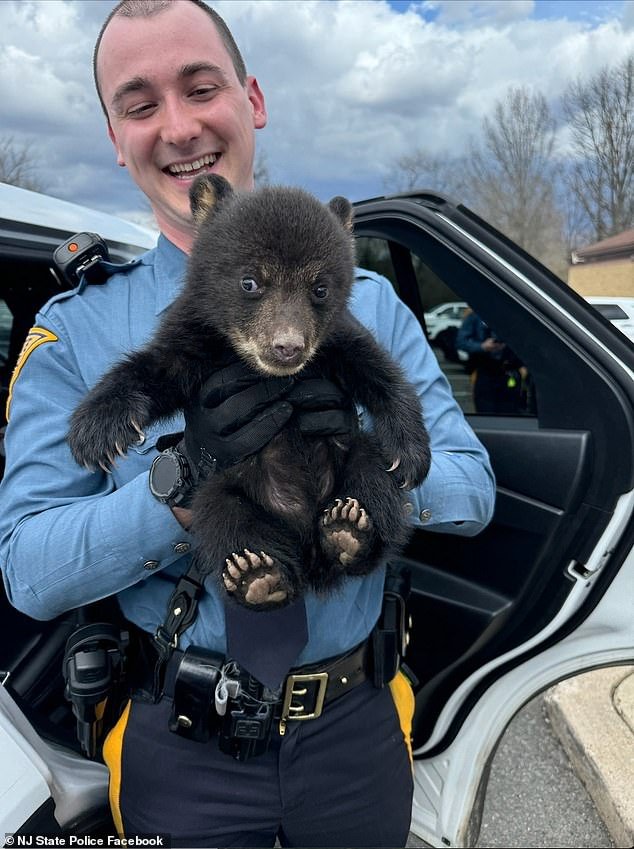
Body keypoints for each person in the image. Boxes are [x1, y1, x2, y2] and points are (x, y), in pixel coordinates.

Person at [0, 2, 496, 847]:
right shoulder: (77, 329)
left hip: (357, 725)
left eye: (201, 87)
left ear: (252, 98)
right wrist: (180, 491)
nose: (180, 126)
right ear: (115, 136)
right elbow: (29, 570)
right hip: (180, 739)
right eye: (140, 103)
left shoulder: (365, 305)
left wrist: (365, 460)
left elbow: (471, 489)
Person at [456, 308, 530, 415]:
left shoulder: (516, 314)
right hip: (485, 373)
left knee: (511, 416)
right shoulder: (475, 316)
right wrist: (482, 346)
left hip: (510, 372)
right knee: (486, 415)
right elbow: (460, 342)